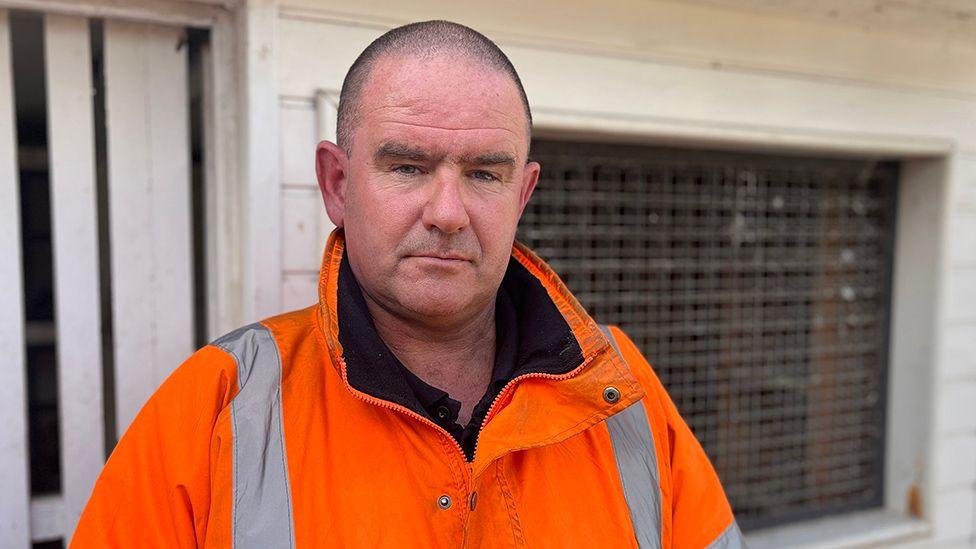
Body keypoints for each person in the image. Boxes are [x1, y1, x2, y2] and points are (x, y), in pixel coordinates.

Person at [73, 20, 744, 548]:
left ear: (523, 194)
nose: (447, 212)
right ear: (338, 183)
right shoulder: (217, 407)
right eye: (407, 166)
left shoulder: (623, 392)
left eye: (485, 173)